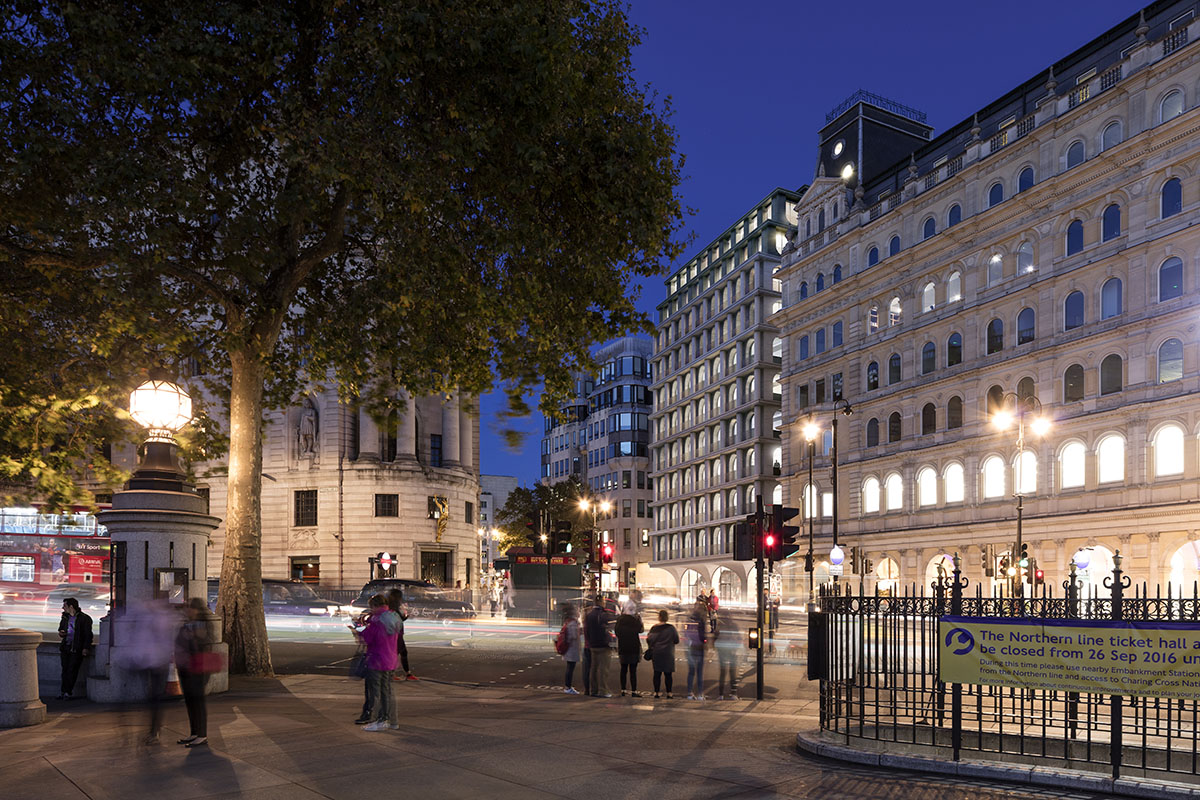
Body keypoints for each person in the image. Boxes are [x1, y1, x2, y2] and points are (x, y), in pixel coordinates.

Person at [121, 598, 177, 744]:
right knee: (153, 699)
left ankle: (154, 732)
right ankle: (153, 731)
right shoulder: (152, 619)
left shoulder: (159, 619)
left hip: (157, 663)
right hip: (152, 662)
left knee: (155, 699)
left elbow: (159, 642)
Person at [354, 594, 402, 731]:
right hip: (390, 658)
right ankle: (391, 720)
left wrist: (358, 629)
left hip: (377, 659)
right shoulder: (393, 617)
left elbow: (367, 639)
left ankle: (381, 720)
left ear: (375, 606)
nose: (371, 610)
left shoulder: (377, 621)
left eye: (371, 607)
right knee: (386, 691)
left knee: (377, 692)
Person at [175, 598, 211, 747]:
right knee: (190, 701)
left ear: (196, 610)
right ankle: (194, 732)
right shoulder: (187, 624)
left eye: (190, 607)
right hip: (185, 668)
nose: (187, 610)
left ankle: (201, 734)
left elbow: (202, 645)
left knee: (197, 702)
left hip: (196, 669)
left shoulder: (201, 625)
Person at [57, 597, 93, 700]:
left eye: (65, 606)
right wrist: (61, 633)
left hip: (76, 648)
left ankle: (68, 692)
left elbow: (87, 635)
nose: (63, 608)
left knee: (72, 670)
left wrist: (85, 648)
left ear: (71, 607)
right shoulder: (65, 617)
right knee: (65, 670)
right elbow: (61, 629)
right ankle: (63, 692)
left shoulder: (84, 619)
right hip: (66, 647)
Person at [583, 596, 616, 697]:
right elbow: (608, 629)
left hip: (593, 645)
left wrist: (590, 640)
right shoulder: (603, 615)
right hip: (603, 645)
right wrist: (611, 642)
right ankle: (603, 690)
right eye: (604, 601)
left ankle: (594, 690)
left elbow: (587, 630)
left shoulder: (589, 615)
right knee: (603, 669)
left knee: (594, 668)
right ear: (601, 602)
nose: (605, 603)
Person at [645, 609, 679, 699]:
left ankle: (656, 692)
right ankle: (669, 693)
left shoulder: (654, 628)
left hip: (657, 653)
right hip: (668, 653)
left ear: (659, 617)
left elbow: (649, 639)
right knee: (668, 674)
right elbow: (676, 640)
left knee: (657, 673)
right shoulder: (671, 628)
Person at [386, 589, 416, 681]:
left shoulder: (391, 606)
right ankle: (393, 673)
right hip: (396, 634)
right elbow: (398, 620)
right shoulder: (393, 607)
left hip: (396, 633)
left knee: (401, 652)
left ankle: (406, 673)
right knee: (398, 652)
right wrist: (406, 617)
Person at [614, 609, 644, 697]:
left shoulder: (619, 620)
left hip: (623, 647)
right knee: (633, 671)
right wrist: (640, 620)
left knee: (623, 669)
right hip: (633, 647)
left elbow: (617, 633)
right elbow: (641, 630)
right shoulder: (635, 620)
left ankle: (623, 690)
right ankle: (634, 691)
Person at [713, 609, 741, 700]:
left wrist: (716, 647)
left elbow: (715, 638)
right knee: (732, 672)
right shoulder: (734, 626)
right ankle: (733, 693)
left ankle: (721, 694)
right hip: (732, 650)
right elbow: (739, 638)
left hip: (722, 650)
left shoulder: (720, 626)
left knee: (723, 672)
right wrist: (736, 647)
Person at [685, 599, 709, 700]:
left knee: (691, 671)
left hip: (690, 647)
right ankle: (699, 694)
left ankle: (689, 693)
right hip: (699, 647)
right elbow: (703, 635)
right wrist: (705, 641)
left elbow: (686, 632)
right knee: (699, 672)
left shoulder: (690, 618)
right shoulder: (701, 620)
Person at [560, 603, 582, 694]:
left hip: (569, 650)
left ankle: (568, 686)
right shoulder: (573, 623)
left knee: (570, 667)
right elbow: (574, 636)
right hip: (571, 650)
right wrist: (579, 631)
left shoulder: (568, 622)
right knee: (570, 668)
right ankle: (568, 687)